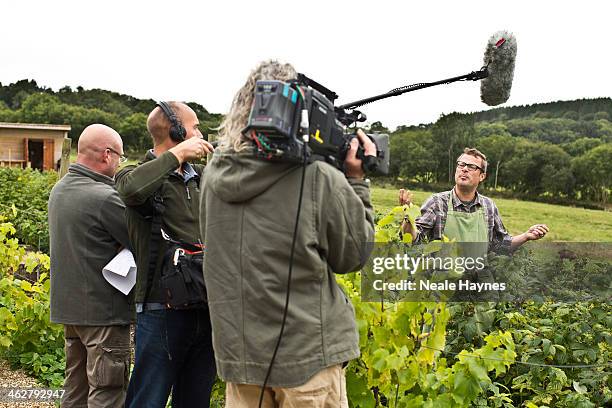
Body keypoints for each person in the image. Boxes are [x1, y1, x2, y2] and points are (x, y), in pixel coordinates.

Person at [198, 60, 376, 407]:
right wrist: (356, 182)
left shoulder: (213, 175)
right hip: (307, 361)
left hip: (241, 360)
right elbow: (354, 254)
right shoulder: (317, 178)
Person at [115, 101, 216, 408]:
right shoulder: (133, 174)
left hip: (205, 305)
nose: (200, 132)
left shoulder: (200, 177)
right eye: (195, 126)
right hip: (162, 308)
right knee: (148, 400)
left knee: (196, 400)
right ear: (174, 130)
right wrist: (178, 154)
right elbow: (131, 191)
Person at [49, 124, 132, 408]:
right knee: (107, 390)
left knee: (76, 390)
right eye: (120, 157)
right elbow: (141, 241)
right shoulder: (105, 197)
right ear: (107, 155)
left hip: (71, 312)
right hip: (104, 314)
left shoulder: (60, 190)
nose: (120, 163)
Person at [400, 147, 549, 251]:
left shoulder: (488, 206)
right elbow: (413, 240)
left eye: (471, 167)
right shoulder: (437, 202)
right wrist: (408, 216)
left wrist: (526, 236)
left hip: (479, 282)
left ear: (482, 176)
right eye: (461, 165)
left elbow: (501, 245)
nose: (464, 169)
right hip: (443, 281)